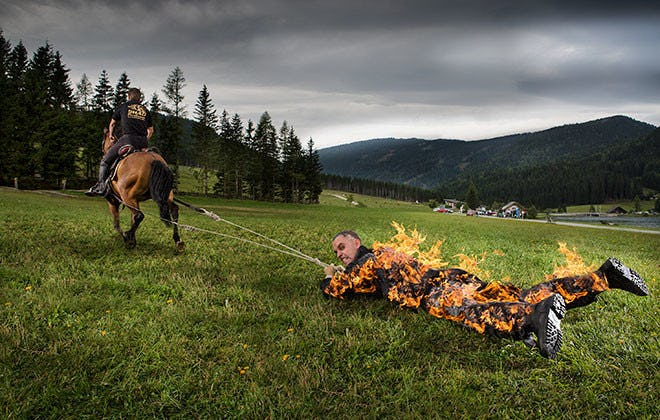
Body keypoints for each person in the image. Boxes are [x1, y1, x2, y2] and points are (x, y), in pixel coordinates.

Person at [321, 230, 649, 359]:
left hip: (438, 292)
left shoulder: (368, 260)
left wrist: (327, 278)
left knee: (471, 312)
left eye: (341, 247)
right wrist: (346, 273)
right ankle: (602, 277)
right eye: (335, 252)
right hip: (458, 277)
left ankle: (532, 318)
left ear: (355, 241)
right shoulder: (382, 257)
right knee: (522, 292)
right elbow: (366, 287)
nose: (338, 254)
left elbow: (339, 289)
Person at [86, 87, 154, 196]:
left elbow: (112, 123)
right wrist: (145, 140)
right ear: (139, 98)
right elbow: (150, 130)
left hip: (127, 140)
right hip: (142, 142)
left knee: (105, 161)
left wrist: (112, 135)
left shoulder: (124, 107)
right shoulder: (145, 110)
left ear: (128, 96)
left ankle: (101, 186)